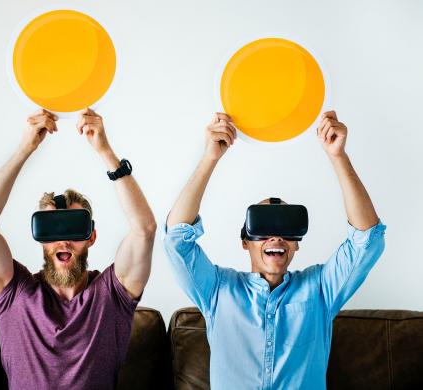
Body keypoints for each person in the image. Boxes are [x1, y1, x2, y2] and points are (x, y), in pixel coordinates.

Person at [162, 110, 386, 389]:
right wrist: (210, 158)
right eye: (263, 228)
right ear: (245, 242)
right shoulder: (218, 290)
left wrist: (337, 156)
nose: (275, 237)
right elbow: (176, 240)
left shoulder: (320, 290)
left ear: (295, 243)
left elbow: (368, 240)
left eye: (284, 229)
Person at [0, 108, 156, 390]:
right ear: (42, 238)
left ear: (91, 237)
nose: (64, 241)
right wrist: (25, 148)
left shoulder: (111, 298)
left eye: (73, 229)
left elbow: (145, 229)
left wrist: (105, 151)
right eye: (54, 230)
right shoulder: (15, 295)